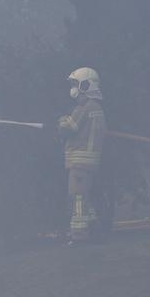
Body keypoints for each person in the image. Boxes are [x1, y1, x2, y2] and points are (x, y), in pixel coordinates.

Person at [57, 67, 105, 245]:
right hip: (87, 161)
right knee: (83, 196)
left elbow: (67, 128)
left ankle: (79, 234)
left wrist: (61, 120)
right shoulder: (96, 107)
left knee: (76, 196)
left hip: (80, 161)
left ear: (86, 85)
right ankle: (93, 226)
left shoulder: (84, 107)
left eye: (75, 84)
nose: (73, 89)